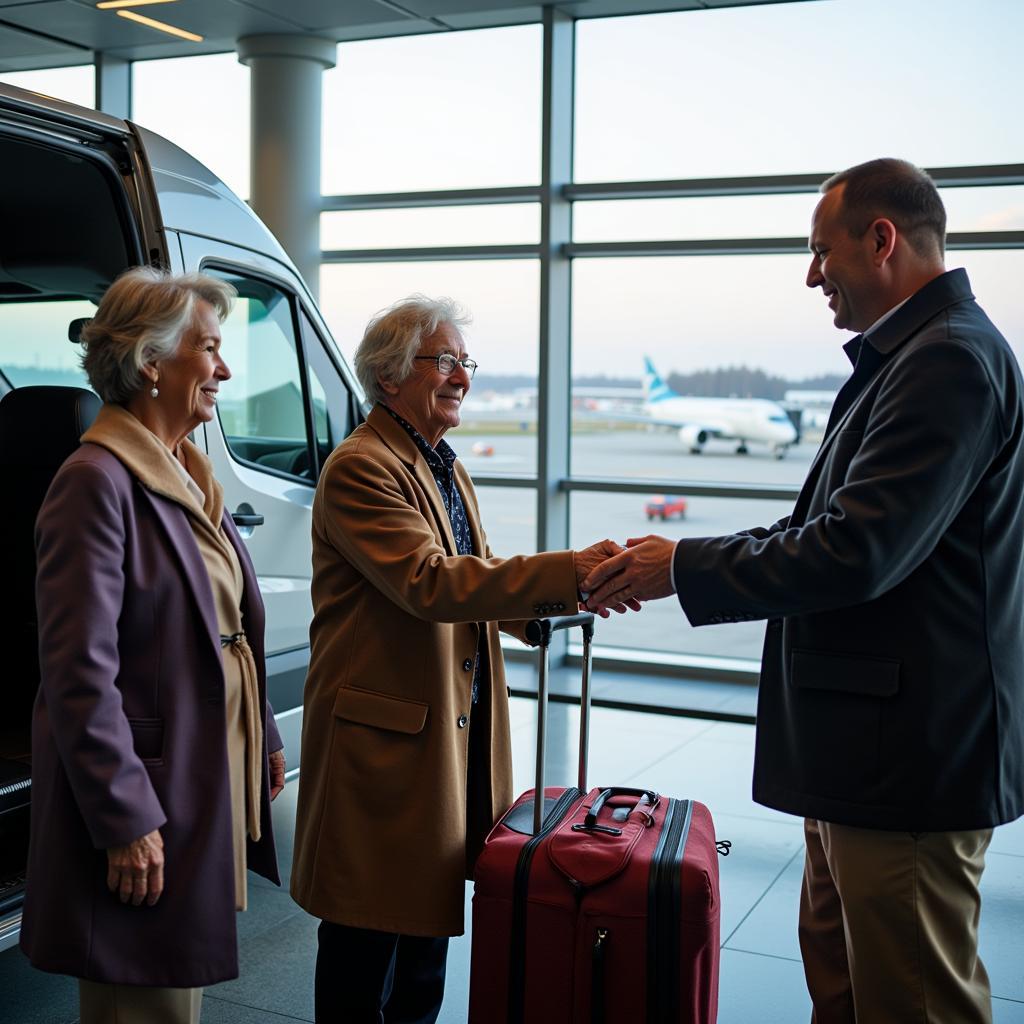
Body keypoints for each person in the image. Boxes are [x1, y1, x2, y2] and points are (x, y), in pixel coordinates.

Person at [582, 158, 1024, 1023]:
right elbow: (824, 528)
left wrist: (681, 568)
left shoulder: (948, 363)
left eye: (821, 251)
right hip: (866, 756)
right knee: (851, 989)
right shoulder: (913, 358)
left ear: (882, 240)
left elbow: (855, 552)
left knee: (915, 1002)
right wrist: (678, 556)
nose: (812, 274)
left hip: (905, 763)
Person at [290, 295, 632, 1023]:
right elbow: (430, 583)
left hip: (440, 747)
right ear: (389, 376)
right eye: (444, 361)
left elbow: (470, 574)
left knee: (421, 960)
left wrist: (564, 602)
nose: (462, 378)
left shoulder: (436, 463)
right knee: (364, 955)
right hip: (384, 754)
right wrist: (566, 569)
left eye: (464, 362)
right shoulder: (362, 469)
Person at [20, 267, 287, 1024]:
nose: (225, 369)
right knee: (143, 1002)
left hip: (195, 778)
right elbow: (78, 673)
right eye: (209, 348)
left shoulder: (185, 470)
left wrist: (260, 729)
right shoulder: (95, 482)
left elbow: (227, 620)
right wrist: (126, 817)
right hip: (147, 795)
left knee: (174, 991)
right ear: (149, 364)